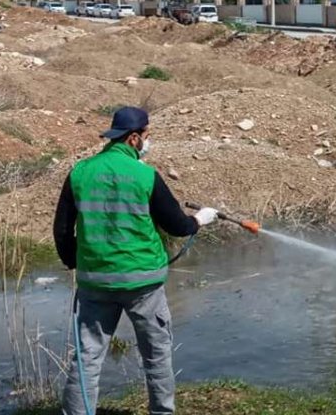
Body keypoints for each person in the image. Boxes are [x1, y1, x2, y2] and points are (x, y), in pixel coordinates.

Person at [53, 106, 219, 415]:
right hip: (143, 283)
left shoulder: (80, 172)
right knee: (156, 354)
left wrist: (75, 262)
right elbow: (177, 226)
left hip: (95, 283)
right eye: (146, 136)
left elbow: (62, 229)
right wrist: (200, 219)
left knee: (87, 357)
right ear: (133, 139)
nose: (147, 141)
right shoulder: (145, 175)